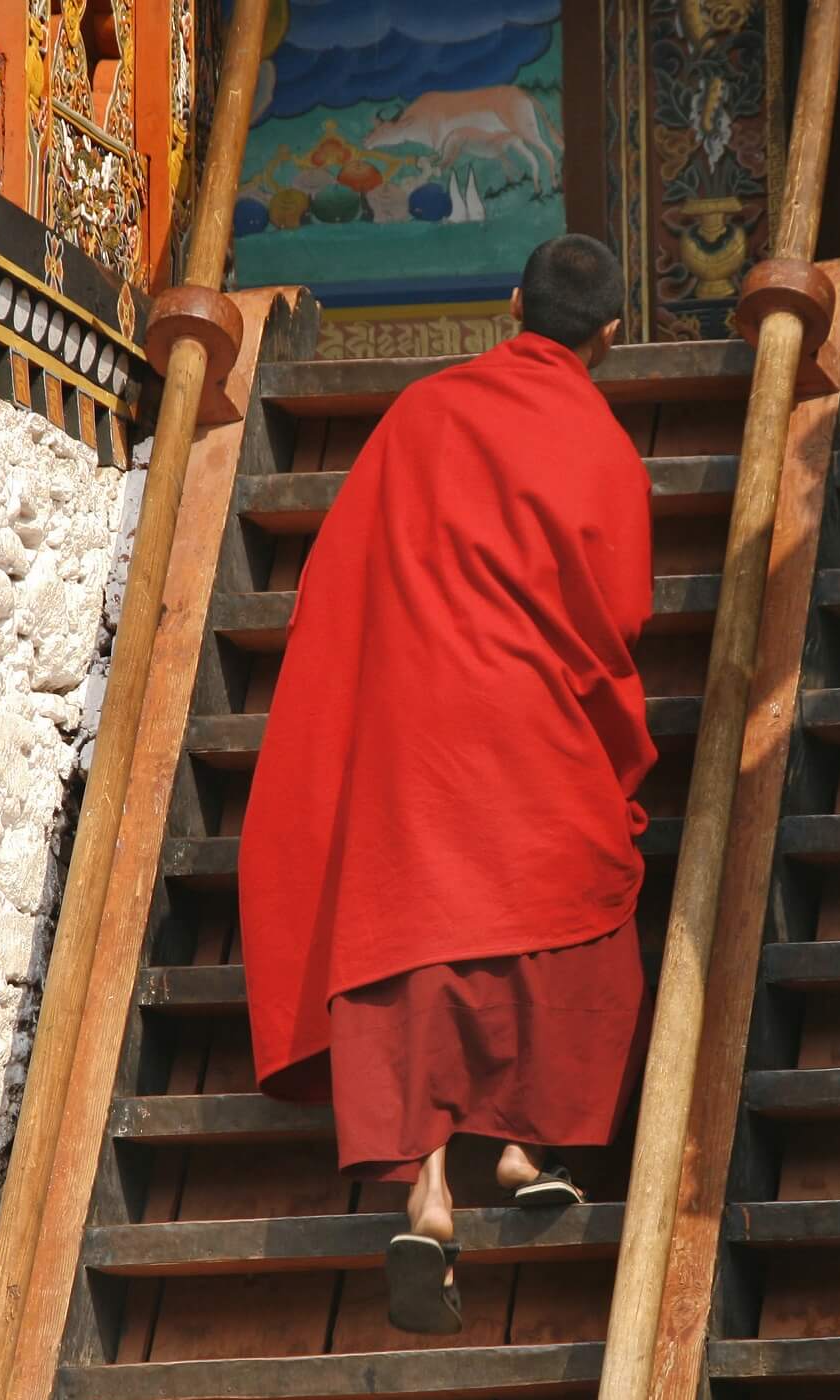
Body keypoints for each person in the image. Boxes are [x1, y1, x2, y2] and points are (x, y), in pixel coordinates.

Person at [238, 234, 656, 1334]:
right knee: (568, 895)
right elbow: (617, 615)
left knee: (416, 929)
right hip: (536, 718)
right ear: (609, 334)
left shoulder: (422, 414)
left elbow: (346, 565)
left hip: (421, 718)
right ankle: (523, 1147)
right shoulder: (603, 445)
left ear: (512, 303)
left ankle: (427, 1197)